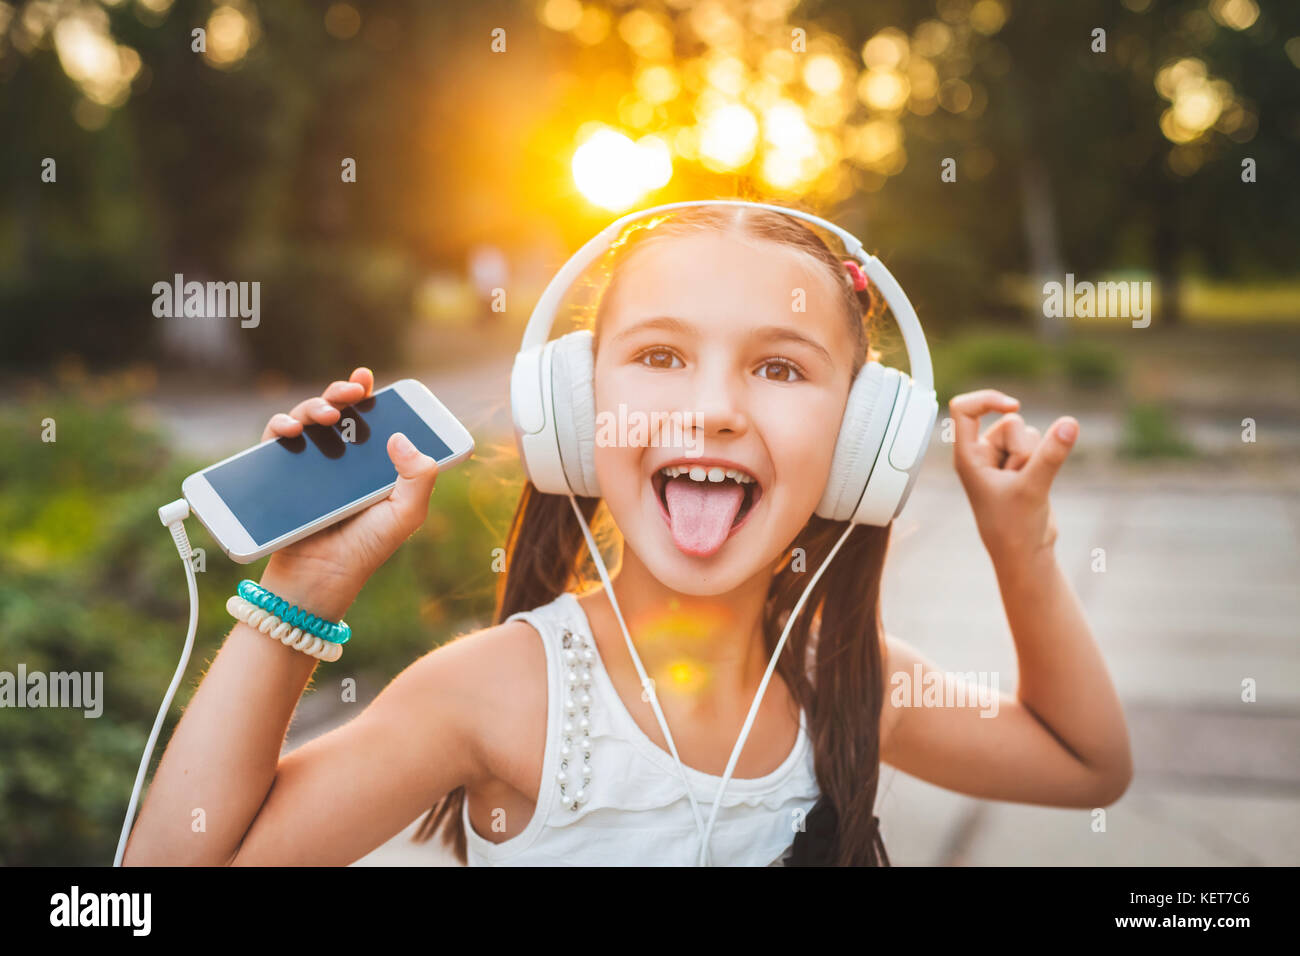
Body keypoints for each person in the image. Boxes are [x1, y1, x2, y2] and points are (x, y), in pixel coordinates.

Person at [122, 203, 1132, 867]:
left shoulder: (848, 680)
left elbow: (1083, 764)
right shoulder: (495, 691)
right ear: (572, 408)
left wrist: (1021, 544)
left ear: (863, 437)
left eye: (779, 369)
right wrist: (303, 590)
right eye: (658, 355)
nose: (713, 409)